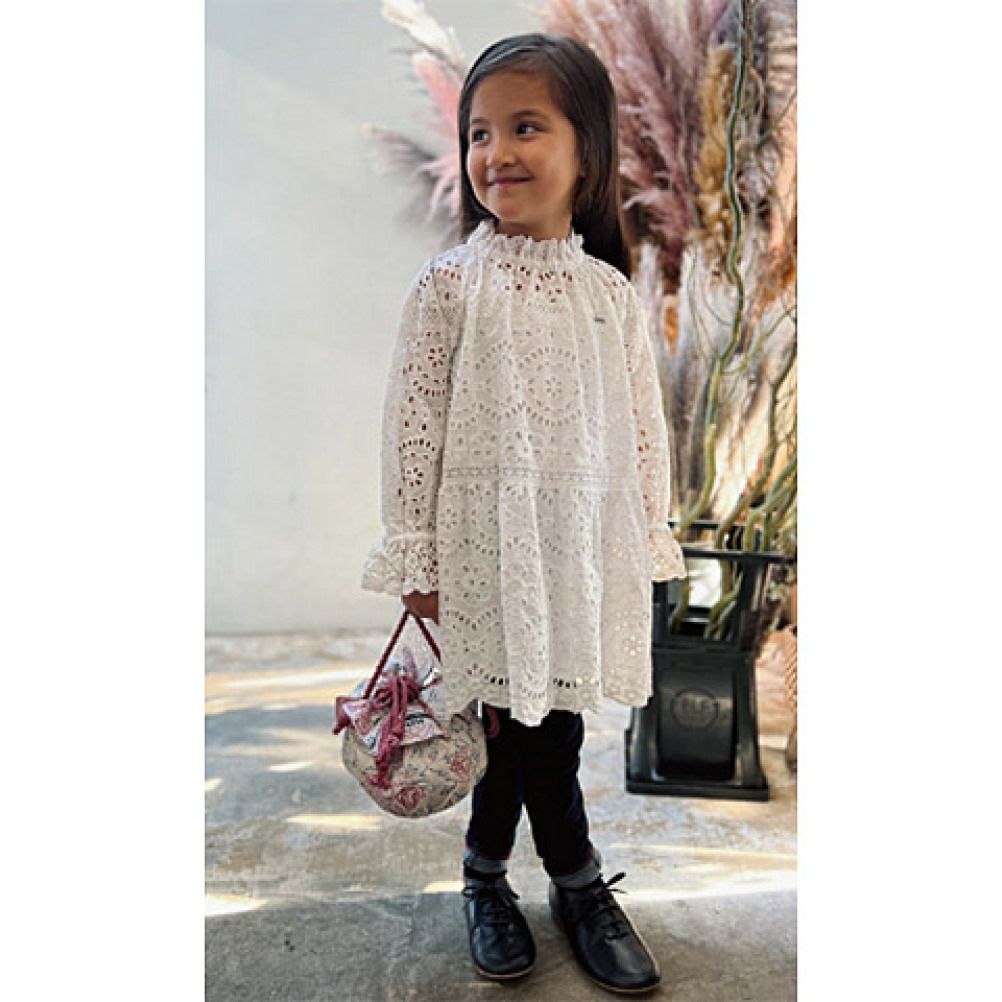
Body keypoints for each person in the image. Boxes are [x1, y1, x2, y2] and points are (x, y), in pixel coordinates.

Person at [360, 32, 687, 996]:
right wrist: (416, 552)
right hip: (480, 550)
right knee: (515, 728)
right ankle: (575, 881)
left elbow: (641, 428)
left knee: (547, 723)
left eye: (525, 127)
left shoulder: (610, 295)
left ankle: (487, 873)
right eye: (479, 132)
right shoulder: (449, 288)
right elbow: (412, 429)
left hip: (575, 551)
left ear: (587, 151)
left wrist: (645, 533)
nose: (495, 151)